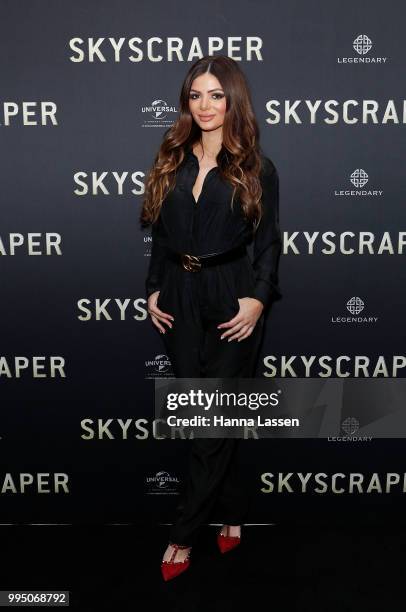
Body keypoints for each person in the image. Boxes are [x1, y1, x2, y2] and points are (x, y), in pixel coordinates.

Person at [140, 54, 282, 581]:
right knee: (214, 416)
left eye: (216, 95)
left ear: (233, 100)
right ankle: (233, 511)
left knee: (210, 418)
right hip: (178, 292)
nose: (205, 105)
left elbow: (268, 244)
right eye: (196, 95)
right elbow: (160, 234)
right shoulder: (170, 157)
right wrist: (153, 287)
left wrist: (258, 299)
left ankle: (182, 534)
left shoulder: (256, 168)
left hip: (232, 295)